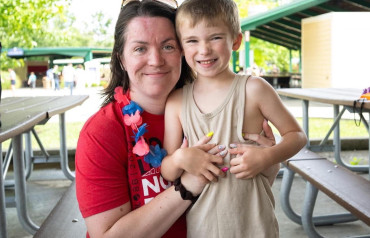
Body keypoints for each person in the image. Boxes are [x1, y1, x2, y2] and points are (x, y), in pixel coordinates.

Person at [75, 1, 278, 237]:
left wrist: (268, 161)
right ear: (121, 59)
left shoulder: (215, 107)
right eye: (140, 49)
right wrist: (187, 187)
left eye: (168, 46)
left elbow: (239, 197)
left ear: (183, 51)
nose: (156, 60)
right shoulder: (102, 132)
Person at [160, 0, 307, 237]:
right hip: (202, 227)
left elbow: (297, 136)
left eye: (215, 38)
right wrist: (180, 158)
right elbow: (166, 170)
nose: (204, 49)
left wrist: (267, 157)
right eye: (192, 40)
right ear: (181, 46)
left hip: (256, 225)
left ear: (235, 41)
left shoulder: (254, 89)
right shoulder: (176, 102)